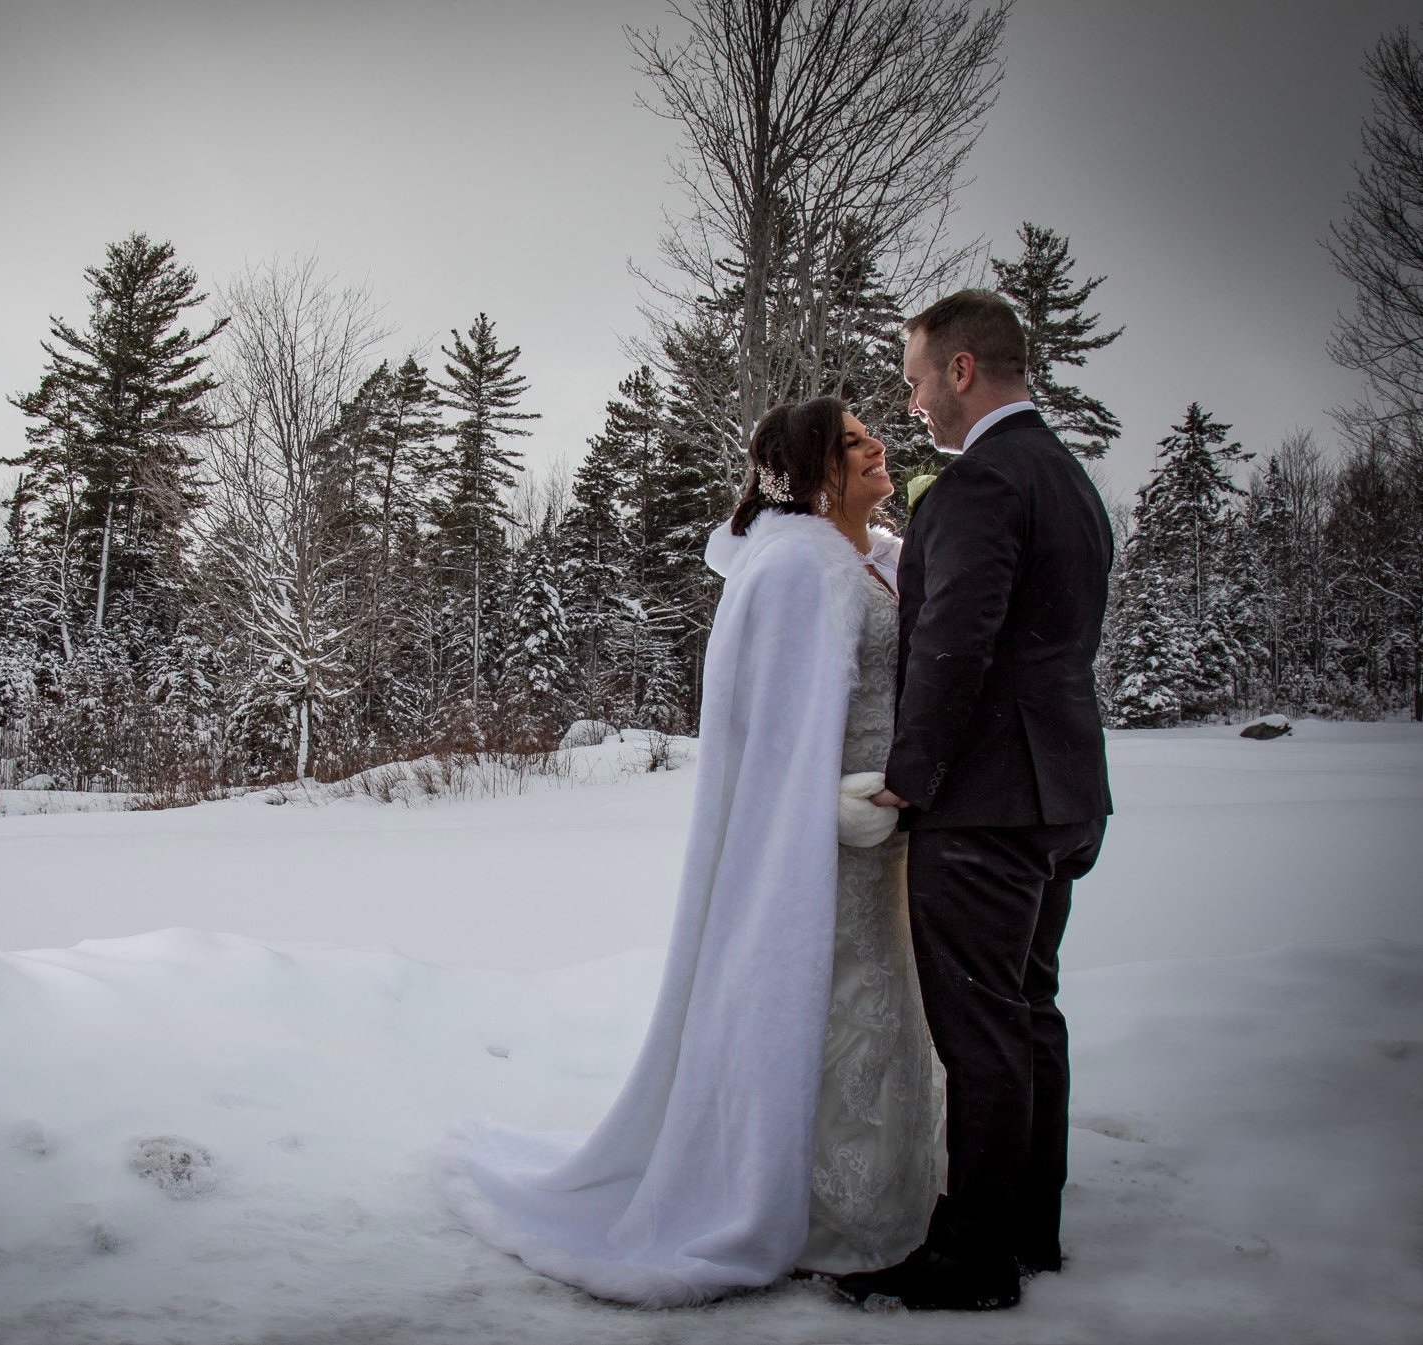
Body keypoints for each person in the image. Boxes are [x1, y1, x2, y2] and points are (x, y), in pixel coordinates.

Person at [442, 397, 941, 1306]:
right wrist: (826, 808)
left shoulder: (876, 558)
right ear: (816, 468)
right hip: (829, 843)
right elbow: (772, 734)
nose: (878, 449)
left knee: (882, 1011)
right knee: (833, 1010)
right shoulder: (795, 566)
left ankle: (888, 1197)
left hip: (894, 836)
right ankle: (822, 1211)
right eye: (855, 441)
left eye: (876, 435)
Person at [837, 290, 1113, 1312]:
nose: (912, 406)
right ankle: (1030, 1223)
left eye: (914, 381)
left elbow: (955, 642)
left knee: (981, 1026)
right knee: (1031, 1010)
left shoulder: (978, 486)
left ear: (961, 369)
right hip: (1066, 795)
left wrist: (910, 774)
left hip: (987, 803)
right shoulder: (1068, 480)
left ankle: (977, 1254)